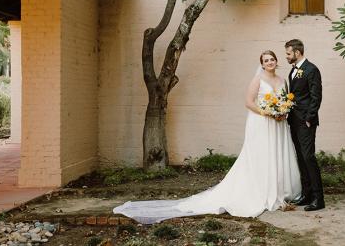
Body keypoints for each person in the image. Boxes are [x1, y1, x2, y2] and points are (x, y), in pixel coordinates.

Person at [113, 51, 301, 224]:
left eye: (272, 59)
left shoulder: (283, 80)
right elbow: (248, 102)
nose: (270, 62)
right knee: (261, 155)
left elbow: (285, 100)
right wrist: (267, 112)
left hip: (278, 124)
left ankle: (277, 189)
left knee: (276, 154)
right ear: (261, 64)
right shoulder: (258, 80)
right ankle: (261, 190)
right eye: (266, 60)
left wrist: (282, 111)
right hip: (262, 122)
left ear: (276, 62)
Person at [285, 39, 325, 211]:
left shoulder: (311, 69)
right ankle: (306, 194)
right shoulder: (293, 71)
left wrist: (309, 117)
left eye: (288, 53)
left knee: (308, 157)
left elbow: (316, 96)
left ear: (297, 52)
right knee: (300, 157)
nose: (286, 56)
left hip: (306, 121)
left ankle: (319, 198)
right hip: (293, 120)